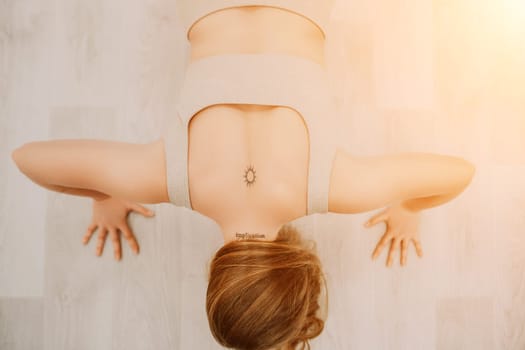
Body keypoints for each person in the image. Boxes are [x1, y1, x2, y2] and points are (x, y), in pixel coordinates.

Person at [10, 3, 476, 350]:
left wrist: (410, 208)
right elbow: (27, 158)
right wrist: (106, 194)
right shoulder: (167, 178)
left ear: (301, 283)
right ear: (217, 276)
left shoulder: (339, 187)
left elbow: (459, 174)